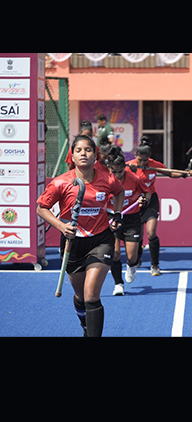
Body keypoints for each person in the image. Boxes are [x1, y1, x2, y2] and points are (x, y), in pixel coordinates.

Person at [36, 135, 125, 336]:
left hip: (101, 240)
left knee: (91, 295)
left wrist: (117, 213)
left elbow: (119, 192)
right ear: (72, 156)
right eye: (78, 150)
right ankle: (85, 326)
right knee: (81, 296)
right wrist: (61, 226)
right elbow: (41, 208)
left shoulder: (107, 178)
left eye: (88, 150)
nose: (83, 153)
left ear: (95, 156)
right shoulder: (61, 182)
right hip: (72, 244)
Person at [127, 136, 192, 279]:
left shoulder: (154, 165)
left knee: (151, 233)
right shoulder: (129, 166)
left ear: (149, 157)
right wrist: (130, 171)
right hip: (135, 202)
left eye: (145, 160)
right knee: (138, 235)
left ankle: (155, 265)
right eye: (140, 160)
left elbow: (170, 173)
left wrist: (184, 174)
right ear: (135, 156)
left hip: (151, 201)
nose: (143, 163)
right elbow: (116, 175)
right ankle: (137, 258)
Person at [107, 150, 150, 295]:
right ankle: (118, 284)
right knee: (114, 254)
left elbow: (147, 192)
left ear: (124, 168)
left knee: (132, 257)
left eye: (120, 171)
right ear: (109, 169)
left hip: (131, 218)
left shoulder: (134, 179)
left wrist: (145, 200)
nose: (117, 175)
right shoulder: (105, 181)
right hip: (112, 217)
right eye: (114, 172)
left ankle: (131, 266)